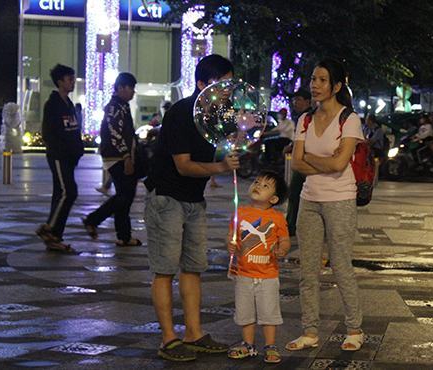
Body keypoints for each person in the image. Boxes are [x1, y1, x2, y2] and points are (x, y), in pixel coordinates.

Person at [144, 54, 238, 362]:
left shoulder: (216, 117)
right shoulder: (182, 112)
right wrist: (221, 167)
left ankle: (194, 333)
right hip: (167, 198)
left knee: (193, 268)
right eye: (220, 84)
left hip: (194, 201)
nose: (227, 91)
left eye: (229, 84)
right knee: (165, 269)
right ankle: (168, 338)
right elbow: (183, 166)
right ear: (201, 84)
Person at [286, 59, 365, 352]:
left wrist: (313, 160)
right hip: (309, 200)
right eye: (313, 79)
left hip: (340, 199)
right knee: (308, 270)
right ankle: (309, 331)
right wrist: (325, 163)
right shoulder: (304, 119)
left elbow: (340, 163)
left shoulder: (349, 119)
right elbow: (296, 162)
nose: (315, 85)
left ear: (336, 86)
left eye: (321, 80)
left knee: (341, 265)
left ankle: (354, 328)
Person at [226, 171, 290, 364]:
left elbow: (285, 239)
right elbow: (231, 235)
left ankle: (270, 345)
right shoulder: (240, 212)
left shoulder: (277, 217)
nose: (257, 186)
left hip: (268, 274)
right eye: (256, 182)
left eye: (265, 186)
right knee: (245, 312)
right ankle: (248, 344)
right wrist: (230, 243)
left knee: (269, 312)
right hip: (244, 273)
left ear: (274, 198)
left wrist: (282, 249)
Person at [82, 73, 141, 247]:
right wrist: (126, 156)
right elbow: (115, 133)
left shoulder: (121, 106)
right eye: (131, 88)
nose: (133, 93)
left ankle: (123, 236)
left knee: (126, 195)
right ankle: (93, 220)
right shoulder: (115, 107)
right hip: (117, 157)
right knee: (125, 195)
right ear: (121, 88)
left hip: (119, 156)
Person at [36, 64, 84, 253]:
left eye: (73, 78)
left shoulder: (69, 104)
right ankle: (49, 229)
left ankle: (54, 237)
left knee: (60, 194)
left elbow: (74, 130)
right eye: (69, 79)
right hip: (58, 156)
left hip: (69, 157)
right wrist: (62, 150)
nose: (72, 82)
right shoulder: (53, 105)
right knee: (69, 192)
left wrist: (77, 149)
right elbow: (49, 133)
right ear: (60, 82)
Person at [285, 89, 312, 236]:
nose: (295, 102)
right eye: (294, 100)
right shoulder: (302, 116)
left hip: (304, 161)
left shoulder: (308, 116)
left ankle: (291, 225)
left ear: (308, 101)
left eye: (299, 99)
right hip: (303, 159)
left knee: (295, 193)